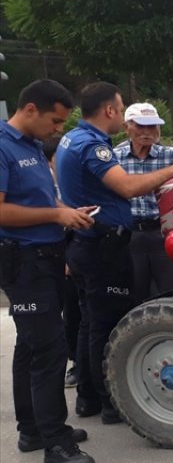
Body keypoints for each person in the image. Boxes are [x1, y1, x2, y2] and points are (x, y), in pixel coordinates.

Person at [58, 82, 173, 426]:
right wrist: (172, 171)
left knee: (92, 322)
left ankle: (89, 396)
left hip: (91, 243)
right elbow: (128, 187)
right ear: (110, 111)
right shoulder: (93, 146)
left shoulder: (72, 139)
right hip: (102, 246)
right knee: (107, 325)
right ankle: (111, 401)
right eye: (121, 109)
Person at [0, 79, 96, 463]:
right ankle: (56, 447)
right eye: (55, 121)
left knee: (31, 345)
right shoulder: (2, 145)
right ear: (31, 110)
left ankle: (34, 429)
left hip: (47, 257)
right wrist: (56, 216)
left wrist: (66, 211)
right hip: (23, 262)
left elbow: (40, 199)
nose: (59, 130)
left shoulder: (32, 146)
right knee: (50, 350)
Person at [114, 103, 173, 305]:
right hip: (128, 234)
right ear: (126, 127)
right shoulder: (113, 159)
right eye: (141, 126)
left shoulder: (172, 156)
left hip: (161, 232)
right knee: (132, 293)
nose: (147, 132)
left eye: (152, 126)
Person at [42, 136, 82, 390]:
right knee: (71, 314)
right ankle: (76, 363)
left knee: (85, 311)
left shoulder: (74, 182)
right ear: (51, 160)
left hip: (80, 250)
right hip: (60, 254)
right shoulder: (46, 186)